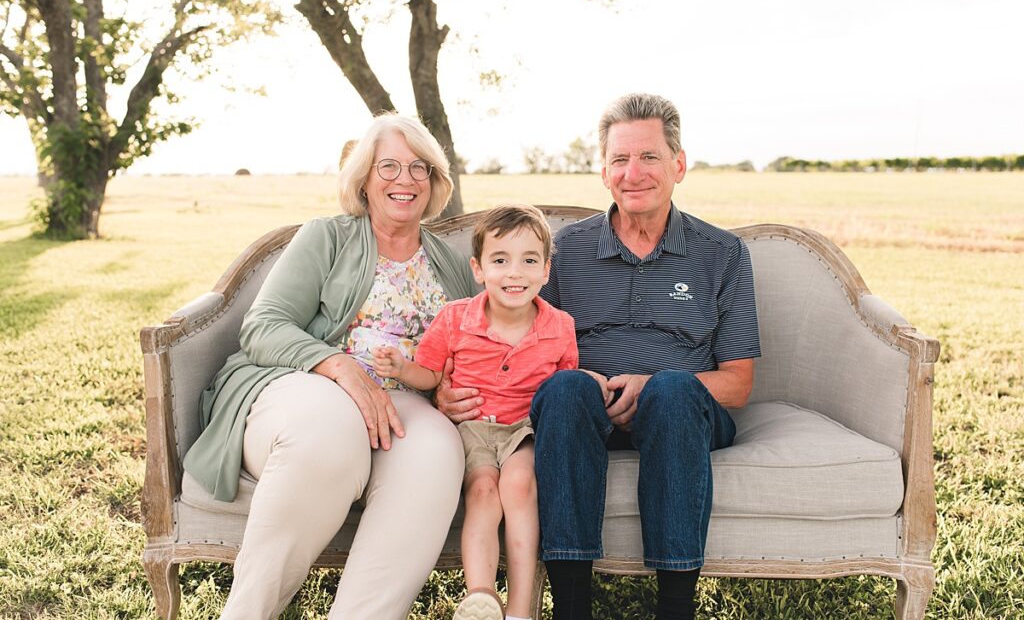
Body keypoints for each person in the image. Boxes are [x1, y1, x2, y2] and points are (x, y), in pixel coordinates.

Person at [436, 93, 761, 620]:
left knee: (673, 389)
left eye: (649, 157)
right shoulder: (567, 251)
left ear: (679, 164)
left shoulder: (721, 254)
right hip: (587, 409)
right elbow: (518, 335)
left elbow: (739, 383)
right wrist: (450, 386)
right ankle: (570, 608)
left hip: (683, 414)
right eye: (619, 159)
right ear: (603, 172)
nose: (633, 173)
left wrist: (650, 381)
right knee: (564, 390)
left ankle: (676, 609)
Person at [181, 113, 477, 620]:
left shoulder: (449, 262)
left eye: (418, 168)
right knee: (328, 433)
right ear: (362, 178)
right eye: (388, 166)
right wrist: (336, 364)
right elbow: (264, 325)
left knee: (437, 452)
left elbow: (473, 345)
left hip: (403, 402)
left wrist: (452, 388)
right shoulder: (326, 237)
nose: (404, 180)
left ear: (434, 181)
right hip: (303, 384)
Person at [373, 205, 578, 620]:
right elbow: (431, 374)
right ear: (478, 269)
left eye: (529, 261)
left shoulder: (559, 326)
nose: (514, 273)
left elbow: (563, 393)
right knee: (483, 490)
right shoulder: (455, 319)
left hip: (525, 429)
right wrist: (401, 368)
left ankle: (521, 608)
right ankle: (481, 595)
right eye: (500, 261)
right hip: (472, 430)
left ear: (546, 271)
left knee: (519, 486)